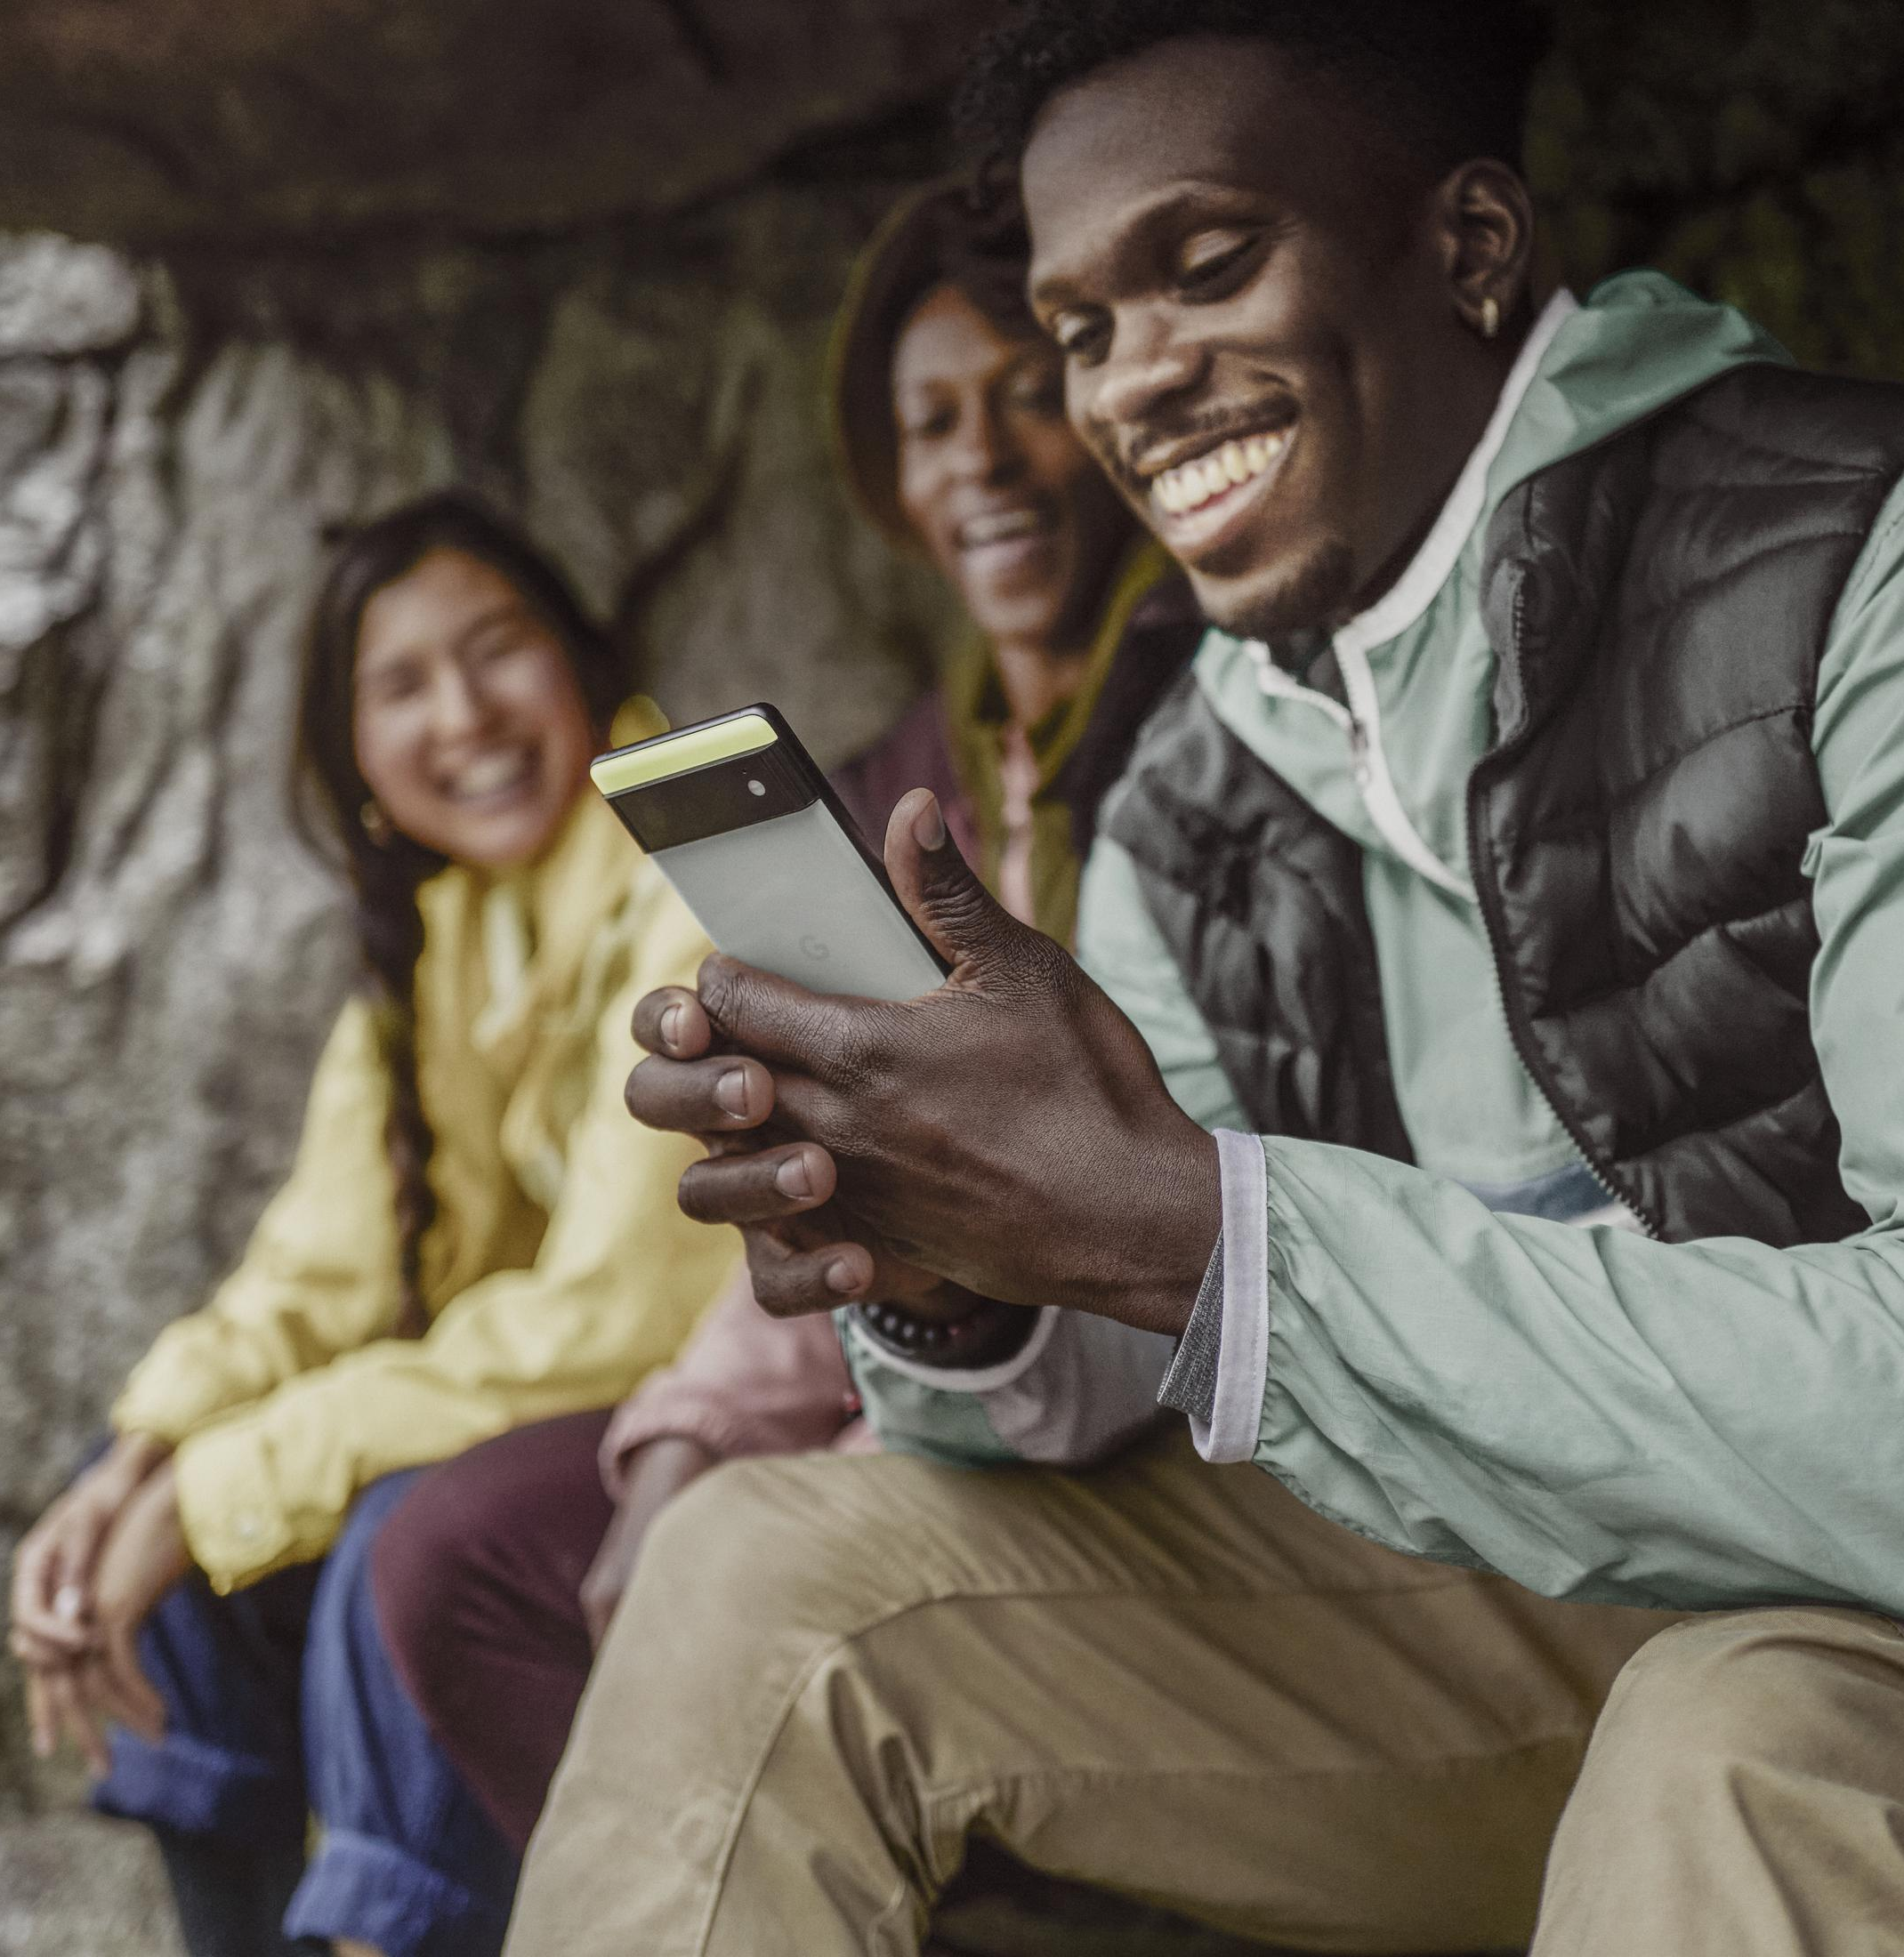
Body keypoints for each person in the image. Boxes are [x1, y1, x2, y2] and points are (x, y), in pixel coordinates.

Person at [512, 4, 1904, 1954]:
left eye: (1204, 264)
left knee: (1747, 1737)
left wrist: (1203, 1222)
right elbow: (1148, 1337)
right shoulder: (1200, 766)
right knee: (763, 1572)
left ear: (1470, 245)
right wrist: (968, 1272)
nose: (1128, 381)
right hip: (1592, 1620)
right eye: (1080, 324)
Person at [365, 176, 1204, 1855]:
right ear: (889, 482)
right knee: (447, 1557)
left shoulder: (1214, 723)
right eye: (929, 421)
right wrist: (693, 1428)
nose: (980, 458)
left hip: (1134, 1363)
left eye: (1027, 394)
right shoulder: (911, 771)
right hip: (890, 1351)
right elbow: (832, 1146)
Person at [6, 495, 736, 1957]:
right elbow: (316, 1271)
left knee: (392, 1529)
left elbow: (617, 1319)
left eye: (495, 651)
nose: (462, 713)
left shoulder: (689, 880)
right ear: (354, 763)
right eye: (399, 687)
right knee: (170, 1528)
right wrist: (148, 1456)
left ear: (583, 661)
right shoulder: (448, 927)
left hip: (717, 1435)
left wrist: (223, 1488)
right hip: (558, 1415)